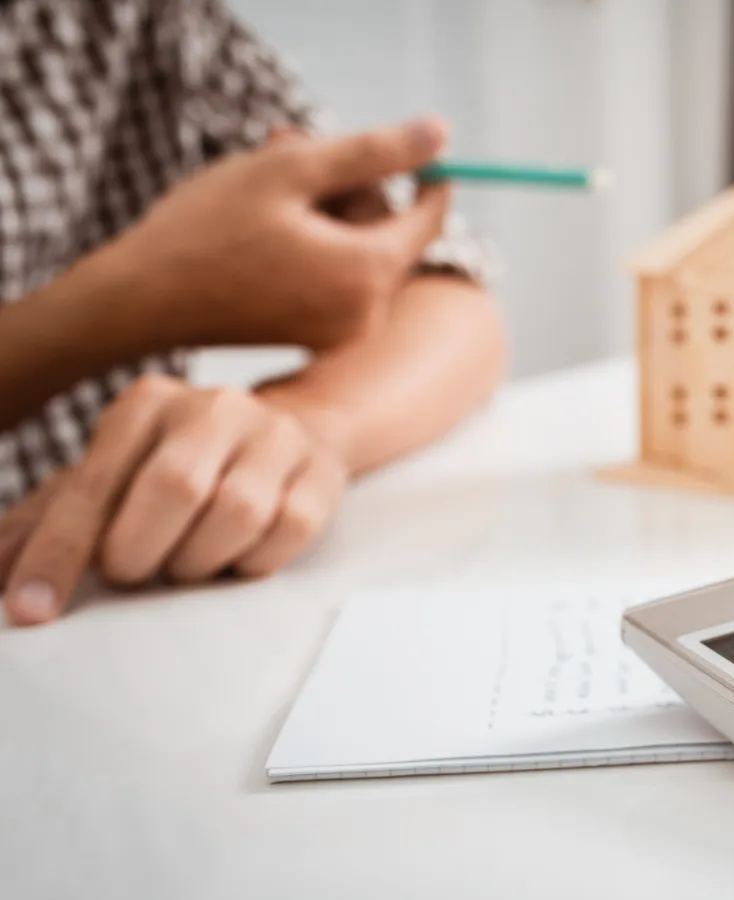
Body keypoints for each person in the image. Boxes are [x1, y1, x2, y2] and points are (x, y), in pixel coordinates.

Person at [0, 0, 508, 626]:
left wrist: (307, 424)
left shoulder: (142, 20)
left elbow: (449, 298)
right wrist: (134, 299)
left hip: (118, 617)